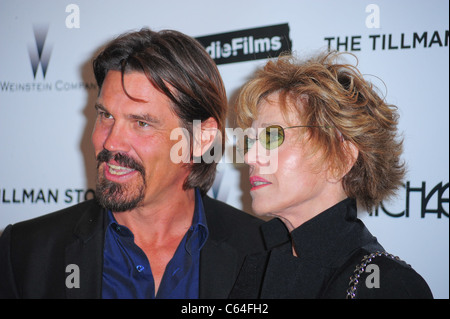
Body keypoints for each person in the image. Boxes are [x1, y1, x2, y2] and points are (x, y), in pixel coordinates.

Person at [0, 28, 265, 299]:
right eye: (105, 115)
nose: (111, 143)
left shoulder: (265, 252)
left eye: (141, 123)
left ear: (200, 139)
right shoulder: (26, 253)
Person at [229, 51, 433, 299]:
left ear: (341, 158)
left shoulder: (387, 284)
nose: (250, 157)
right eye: (249, 142)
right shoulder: (256, 268)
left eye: (272, 136)